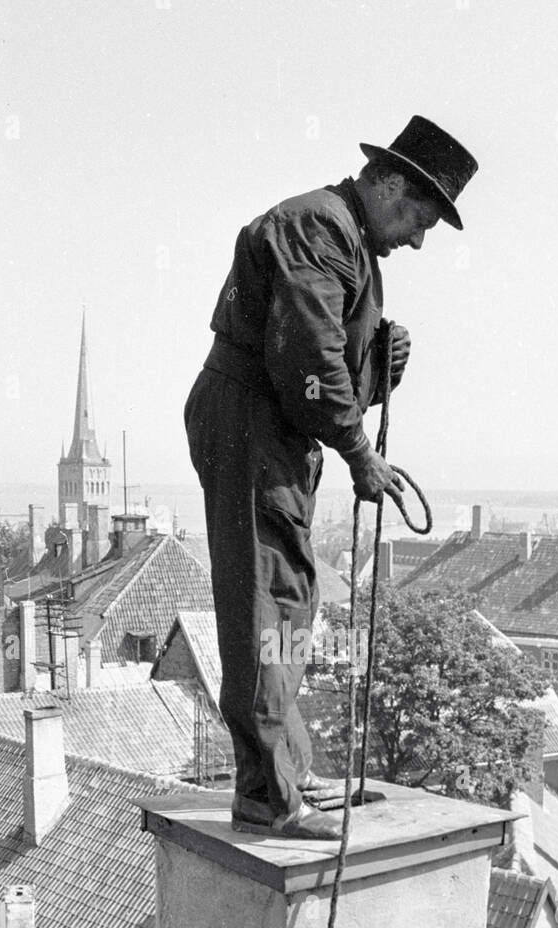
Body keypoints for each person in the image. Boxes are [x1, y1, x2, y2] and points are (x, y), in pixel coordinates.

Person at [184, 115, 478, 839]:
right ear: (384, 183)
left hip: (272, 431)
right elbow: (308, 357)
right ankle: (265, 796)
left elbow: (324, 364)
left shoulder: (346, 239)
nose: (414, 238)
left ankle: (291, 771)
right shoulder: (315, 227)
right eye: (415, 216)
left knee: (287, 598)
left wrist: (380, 361)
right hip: (249, 425)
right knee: (264, 602)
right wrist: (359, 451)